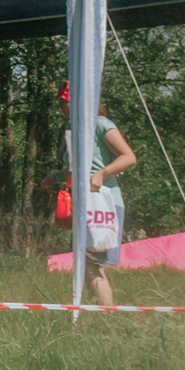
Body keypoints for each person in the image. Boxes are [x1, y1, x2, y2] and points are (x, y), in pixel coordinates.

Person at [61, 85, 137, 307]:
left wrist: (103, 173)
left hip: (105, 203)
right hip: (84, 203)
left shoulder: (101, 124)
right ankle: (100, 313)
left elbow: (129, 157)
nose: (62, 106)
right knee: (86, 263)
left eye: (66, 101)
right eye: (61, 101)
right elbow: (78, 167)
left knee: (93, 264)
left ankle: (107, 317)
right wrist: (55, 176)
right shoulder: (71, 128)